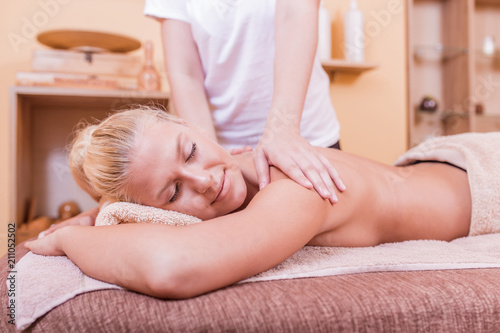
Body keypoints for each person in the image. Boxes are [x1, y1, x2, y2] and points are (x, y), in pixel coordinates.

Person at [26, 108, 486, 300]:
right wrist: (99, 216)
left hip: (486, 173)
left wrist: (71, 236)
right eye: (173, 193)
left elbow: (173, 267)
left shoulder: (295, 185)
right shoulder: (241, 169)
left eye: (189, 152)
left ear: (195, 126)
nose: (204, 180)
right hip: (441, 164)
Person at [143, 0, 344, 203]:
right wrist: (211, 155)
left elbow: (295, 12)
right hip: (226, 151)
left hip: (304, 136)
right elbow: (185, 73)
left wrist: (282, 129)